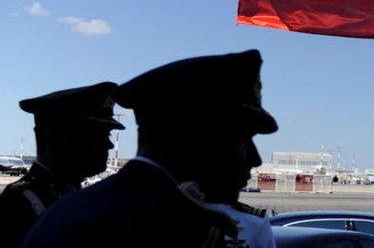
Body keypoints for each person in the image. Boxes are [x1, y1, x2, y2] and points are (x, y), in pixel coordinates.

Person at [20, 49, 279, 248]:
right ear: (192, 136)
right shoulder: (167, 228)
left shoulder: (76, 211)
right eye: (241, 139)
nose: (255, 158)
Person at [0, 82, 124, 248]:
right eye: (95, 135)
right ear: (55, 137)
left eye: (107, 134)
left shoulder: (76, 197)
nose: (109, 144)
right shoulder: (20, 203)